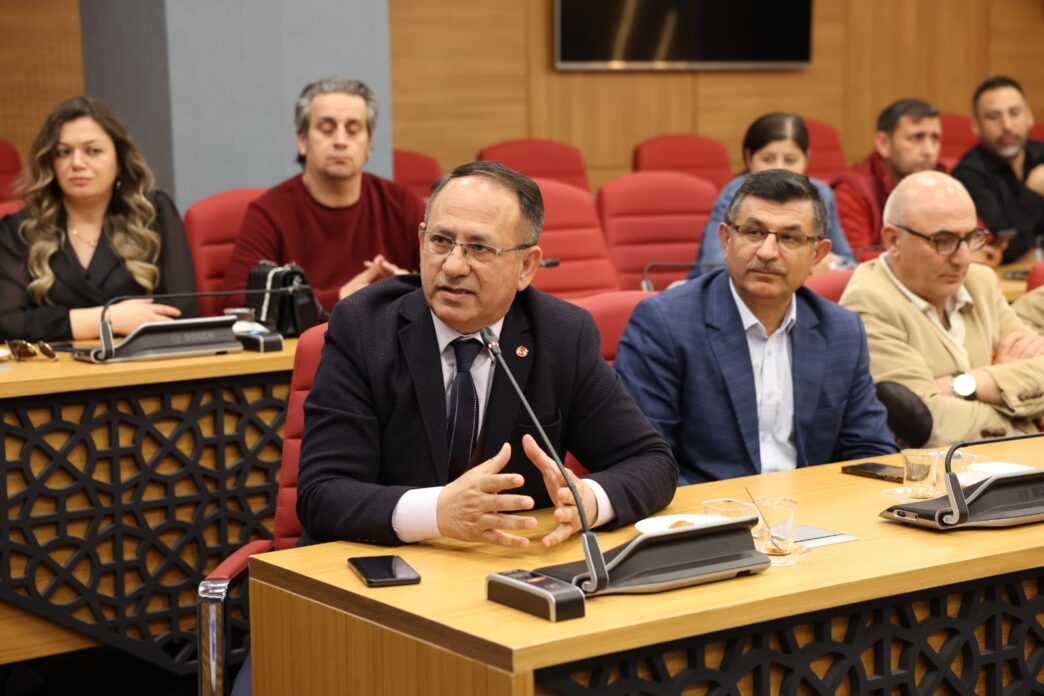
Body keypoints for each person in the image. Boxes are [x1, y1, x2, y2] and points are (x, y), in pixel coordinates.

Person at [297, 160, 677, 546]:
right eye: (441, 241)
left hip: (506, 562)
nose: (453, 266)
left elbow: (652, 462)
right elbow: (322, 494)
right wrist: (437, 512)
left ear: (526, 266)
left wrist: (589, 501)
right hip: (374, 563)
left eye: (479, 248)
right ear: (421, 240)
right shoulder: (364, 327)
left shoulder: (561, 335)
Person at [616, 169, 896, 484]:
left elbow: (870, 451)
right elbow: (643, 461)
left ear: (817, 255)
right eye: (754, 232)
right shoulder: (665, 323)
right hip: (707, 508)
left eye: (789, 238)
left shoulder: (842, 331)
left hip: (814, 507)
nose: (767, 252)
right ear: (726, 239)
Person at [840, 171, 1044, 446]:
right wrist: (1020, 414)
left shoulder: (979, 281)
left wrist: (965, 384)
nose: (963, 258)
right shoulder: (867, 304)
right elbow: (928, 423)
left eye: (971, 237)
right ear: (893, 240)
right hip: (930, 470)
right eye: (943, 241)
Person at [218, 77, 424, 313]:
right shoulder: (269, 212)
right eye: (327, 129)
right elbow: (236, 301)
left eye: (353, 130)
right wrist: (338, 299)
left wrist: (410, 287)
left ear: (369, 145)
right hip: (305, 338)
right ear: (302, 140)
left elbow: (446, 276)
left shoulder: (402, 203)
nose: (340, 141)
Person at [0, 96, 196, 342]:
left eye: (93, 151)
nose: (77, 163)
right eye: (63, 152)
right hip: (57, 365)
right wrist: (106, 319)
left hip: (143, 362)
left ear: (120, 161)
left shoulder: (154, 214)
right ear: (51, 163)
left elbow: (182, 313)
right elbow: (8, 323)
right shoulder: (19, 230)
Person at [686, 112, 853, 280]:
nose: (780, 169)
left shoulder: (820, 194)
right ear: (749, 158)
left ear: (806, 159)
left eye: (790, 160)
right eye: (768, 159)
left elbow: (849, 263)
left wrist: (827, 264)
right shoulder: (734, 195)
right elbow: (713, 266)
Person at [832, 99, 952, 262]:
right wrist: (936, 255)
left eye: (935, 138)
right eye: (917, 138)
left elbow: (975, 237)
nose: (929, 151)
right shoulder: (852, 190)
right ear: (883, 144)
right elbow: (856, 259)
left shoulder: (944, 180)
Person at [953, 76, 1044, 265]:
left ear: (1029, 117)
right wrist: (1032, 192)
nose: (1007, 126)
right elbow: (998, 248)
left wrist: (1038, 253)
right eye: (993, 116)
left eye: (1014, 113)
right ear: (976, 126)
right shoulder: (968, 174)